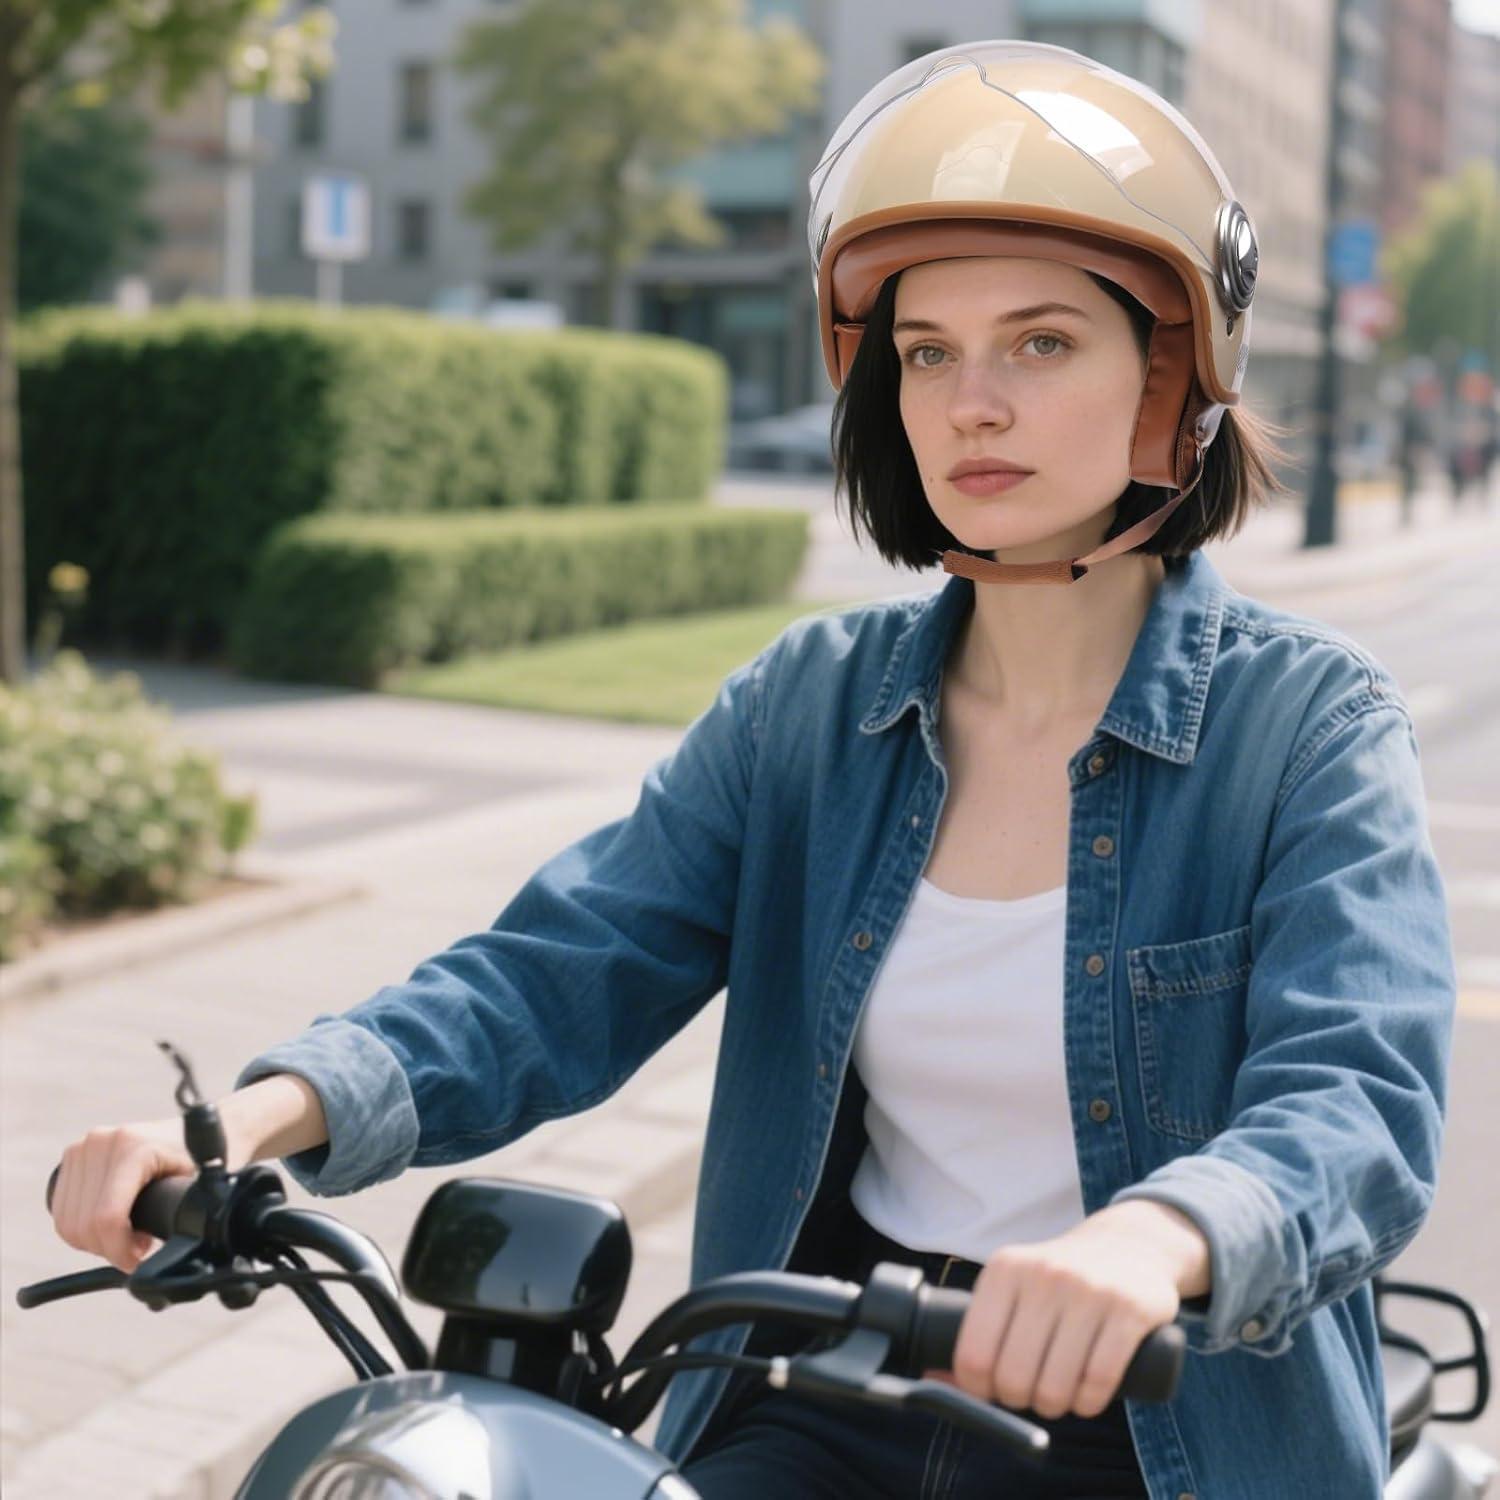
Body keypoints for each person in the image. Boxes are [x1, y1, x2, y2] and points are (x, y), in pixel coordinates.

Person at [48, 40, 1456, 1500]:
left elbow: (1356, 1096)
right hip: (821, 1385)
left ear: (1170, 377)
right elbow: (561, 963)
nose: (972, 401)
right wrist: (251, 1121)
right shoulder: (809, 708)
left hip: (1171, 1422)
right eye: (927, 351)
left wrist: (1158, 1238)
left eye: (1042, 342)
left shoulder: (1306, 726)